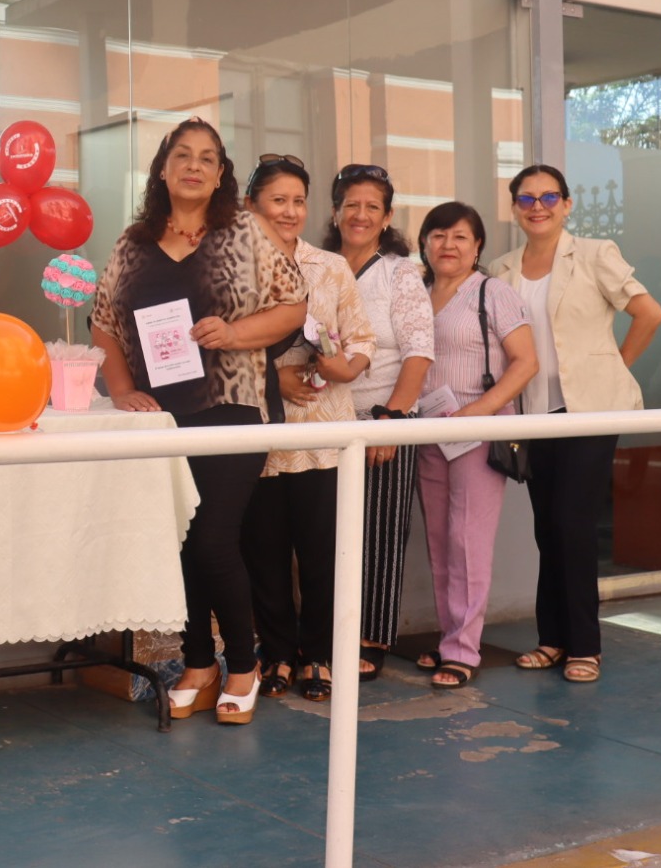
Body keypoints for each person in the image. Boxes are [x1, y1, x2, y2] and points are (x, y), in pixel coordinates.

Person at [92, 117, 307, 726]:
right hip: (163, 418)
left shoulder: (248, 231)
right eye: (181, 155)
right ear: (163, 168)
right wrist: (124, 388)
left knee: (213, 538)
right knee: (182, 542)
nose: (193, 165)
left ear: (219, 176)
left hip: (235, 410)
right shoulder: (132, 243)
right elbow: (103, 323)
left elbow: (295, 306)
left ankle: (243, 663)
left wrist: (235, 332)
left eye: (207, 158)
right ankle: (198, 663)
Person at [493, 164, 661, 684]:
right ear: (515, 207)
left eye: (548, 197)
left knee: (573, 523)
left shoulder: (593, 254)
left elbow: (648, 313)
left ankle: (585, 645)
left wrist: (612, 367)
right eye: (526, 199)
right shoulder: (501, 269)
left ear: (566, 204)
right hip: (533, 414)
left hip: (587, 411)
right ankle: (552, 639)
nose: (537, 206)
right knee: (548, 529)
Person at [240, 156, 374, 703]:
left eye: (298, 201)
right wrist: (277, 373)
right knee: (264, 554)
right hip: (259, 431)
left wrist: (337, 364)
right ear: (252, 206)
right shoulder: (230, 267)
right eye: (278, 200)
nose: (290, 211)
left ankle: (318, 655)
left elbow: (362, 338)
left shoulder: (331, 267)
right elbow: (215, 344)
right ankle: (276, 656)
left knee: (322, 552)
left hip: (323, 431)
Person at [414, 202, 537, 689]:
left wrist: (478, 411)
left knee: (469, 541)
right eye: (438, 235)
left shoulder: (493, 293)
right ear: (424, 243)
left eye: (460, 237)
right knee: (441, 542)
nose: (448, 245)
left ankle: (464, 650)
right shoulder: (416, 295)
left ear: (478, 245)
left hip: (478, 429)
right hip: (426, 431)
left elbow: (525, 363)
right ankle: (451, 638)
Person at [323, 165, 434, 681]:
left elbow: (418, 351)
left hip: (384, 417)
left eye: (372, 206)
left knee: (381, 534)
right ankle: (329, 634)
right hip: (324, 419)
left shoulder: (400, 273)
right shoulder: (317, 267)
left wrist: (391, 419)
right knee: (328, 535)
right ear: (336, 211)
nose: (360, 214)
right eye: (351, 204)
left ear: (386, 217)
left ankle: (370, 637)